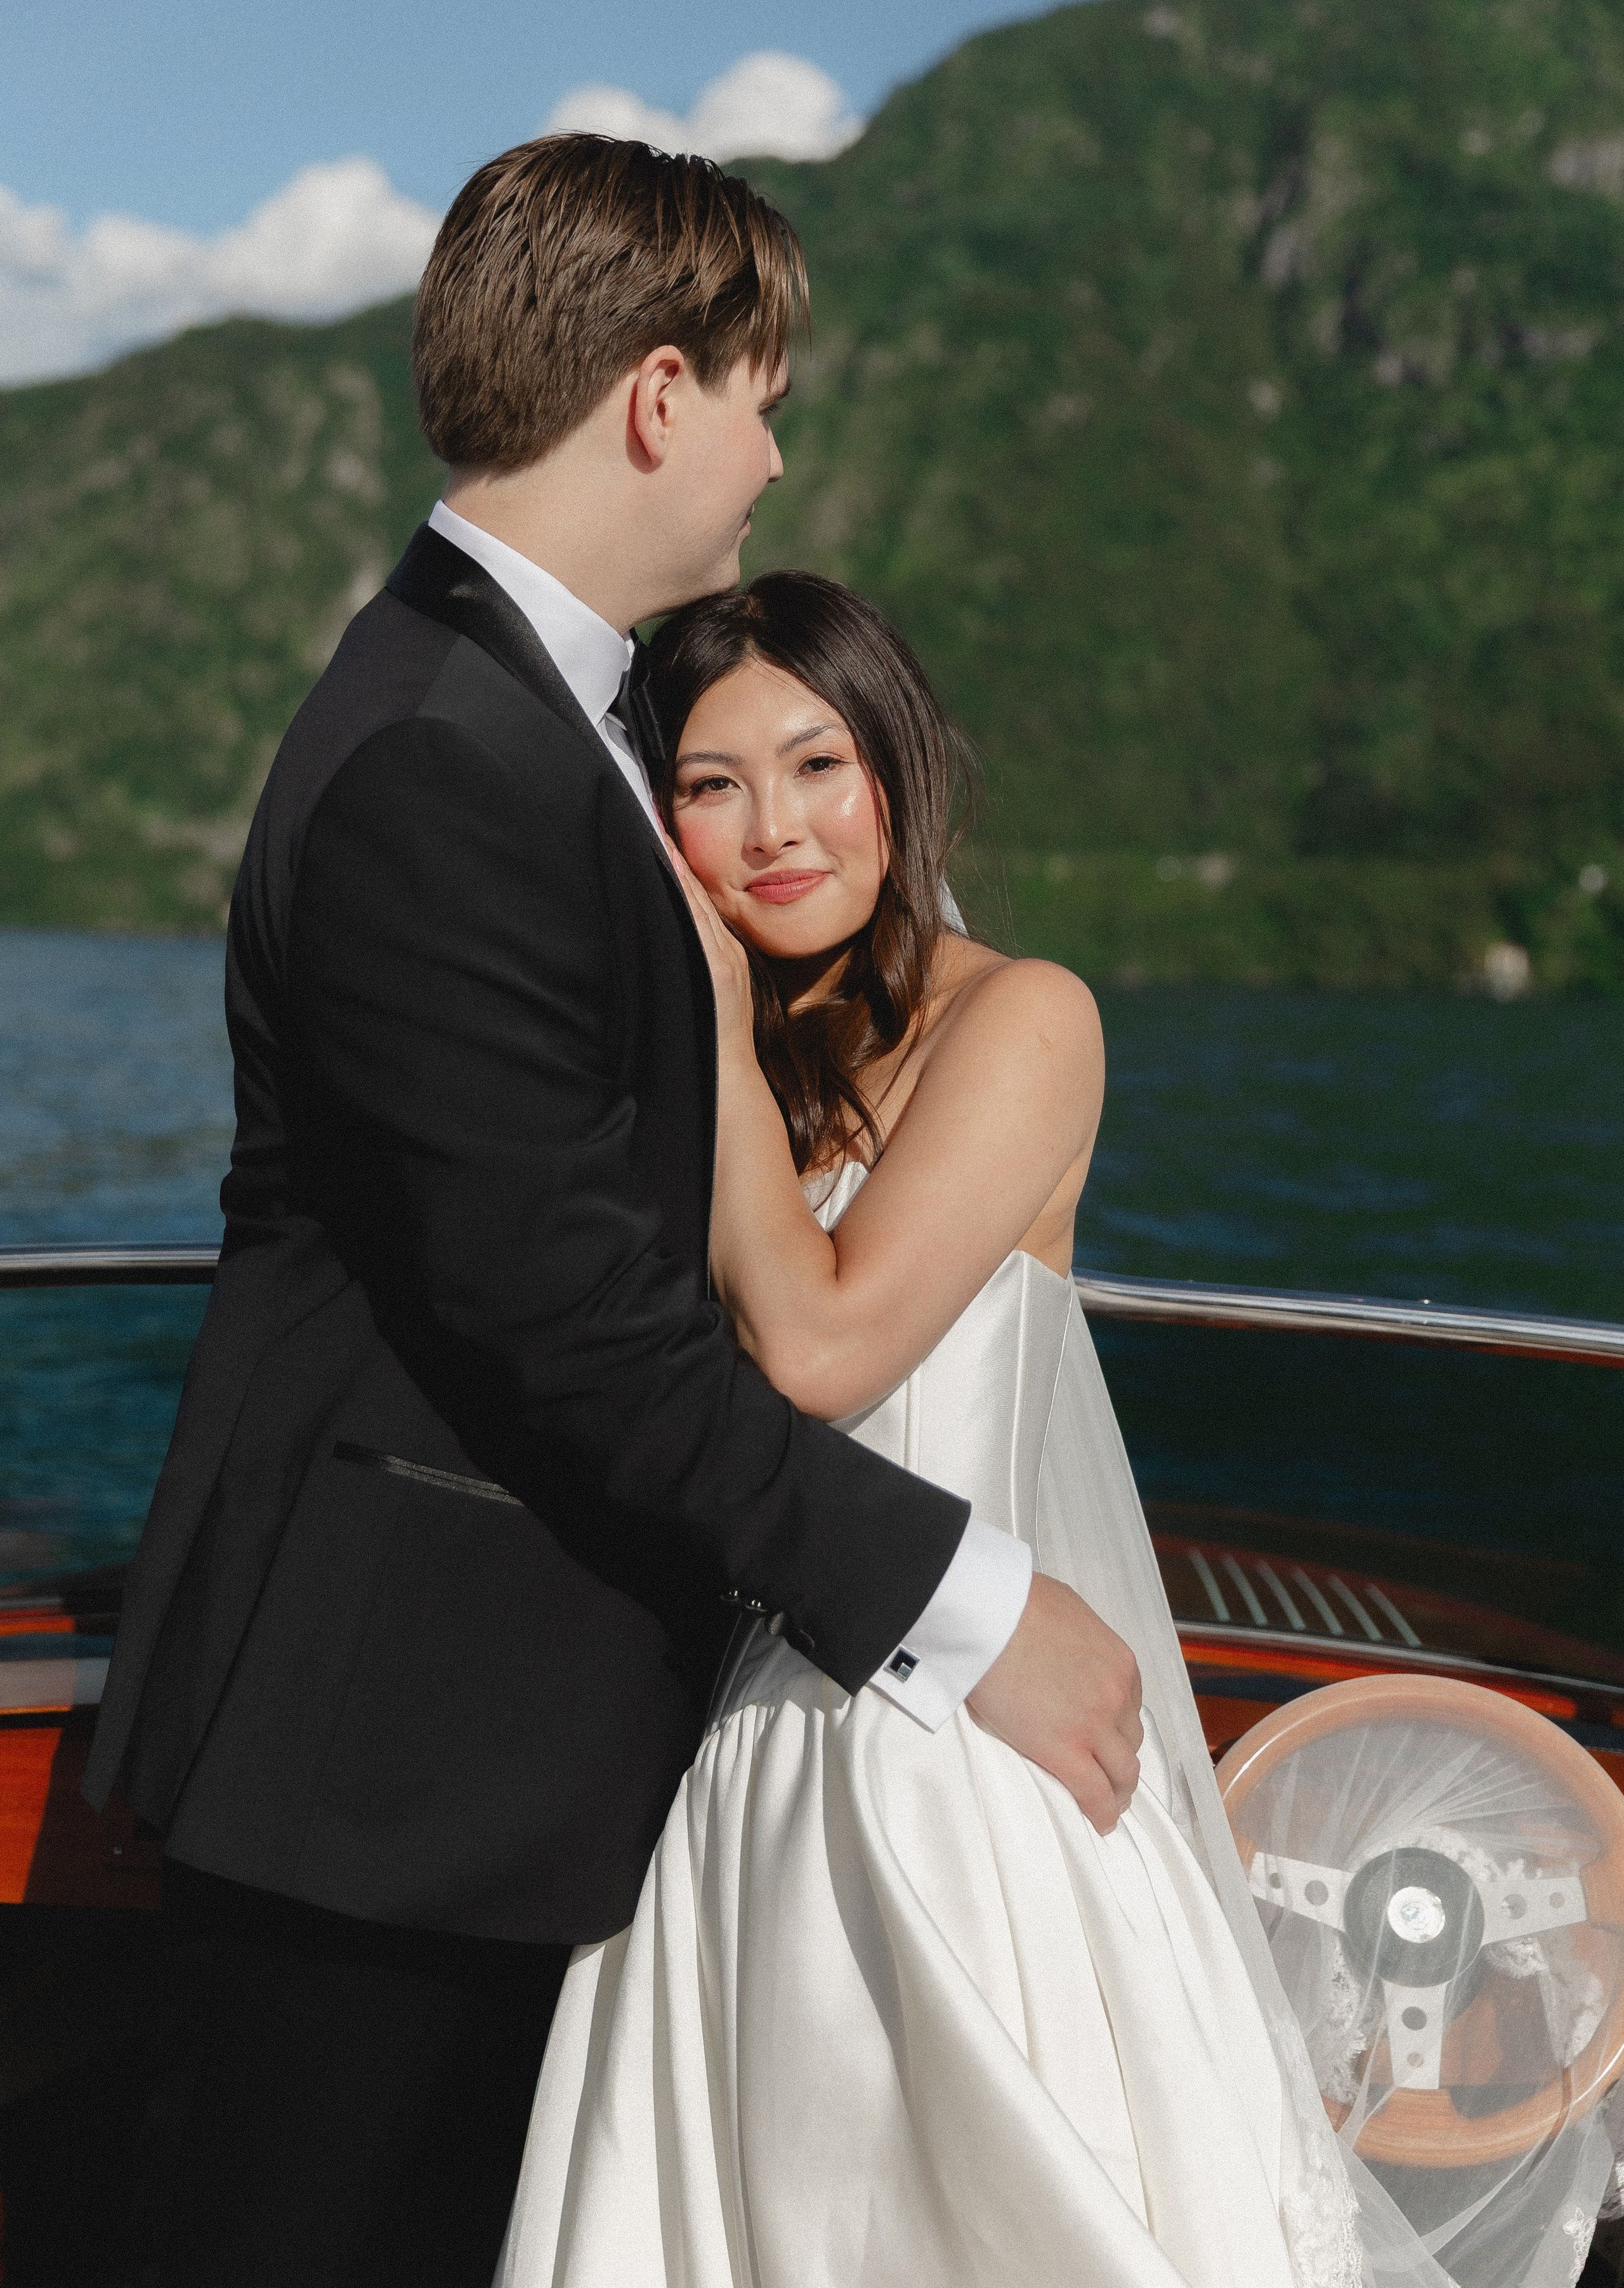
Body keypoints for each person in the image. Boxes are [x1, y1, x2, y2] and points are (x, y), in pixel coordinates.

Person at [82, 138, 1141, 2288]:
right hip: (387, 1774)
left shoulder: (513, 727)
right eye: (759, 393)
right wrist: (969, 1604)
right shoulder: (438, 766)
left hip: (491, 1768)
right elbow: (568, 1323)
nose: (773, 451)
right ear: (657, 398)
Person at [497, 573, 1365, 2288]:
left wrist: (714, 1023)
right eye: (711, 785)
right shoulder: (722, 1054)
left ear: (895, 768)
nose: (775, 830)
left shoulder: (1021, 1017)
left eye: (819, 764)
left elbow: (820, 1344)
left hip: (953, 1752)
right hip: (742, 1757)